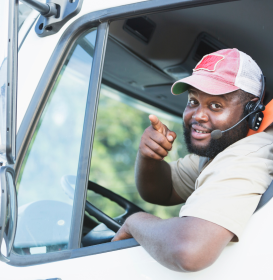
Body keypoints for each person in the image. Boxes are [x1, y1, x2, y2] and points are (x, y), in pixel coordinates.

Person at [112, 48, 273, 272]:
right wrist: (149, 156)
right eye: (193, 101)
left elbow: (189, 252)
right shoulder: (221, 150)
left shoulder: (247, 155)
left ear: (252, 109)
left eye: (216, 105)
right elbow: (164, 190)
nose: (198, 115)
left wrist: (135, 221)